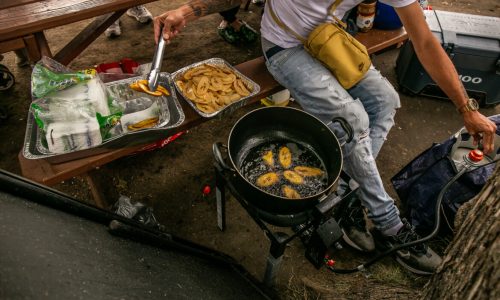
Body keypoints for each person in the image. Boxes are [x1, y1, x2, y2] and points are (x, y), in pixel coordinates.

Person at [152, 0, 497, 275]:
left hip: (327, 40)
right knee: (352, 119)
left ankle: (345, 198)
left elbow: (423, 39)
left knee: (386, 102)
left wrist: (467, 108)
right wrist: (186, 10)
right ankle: (389, 223)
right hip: (284, 46)